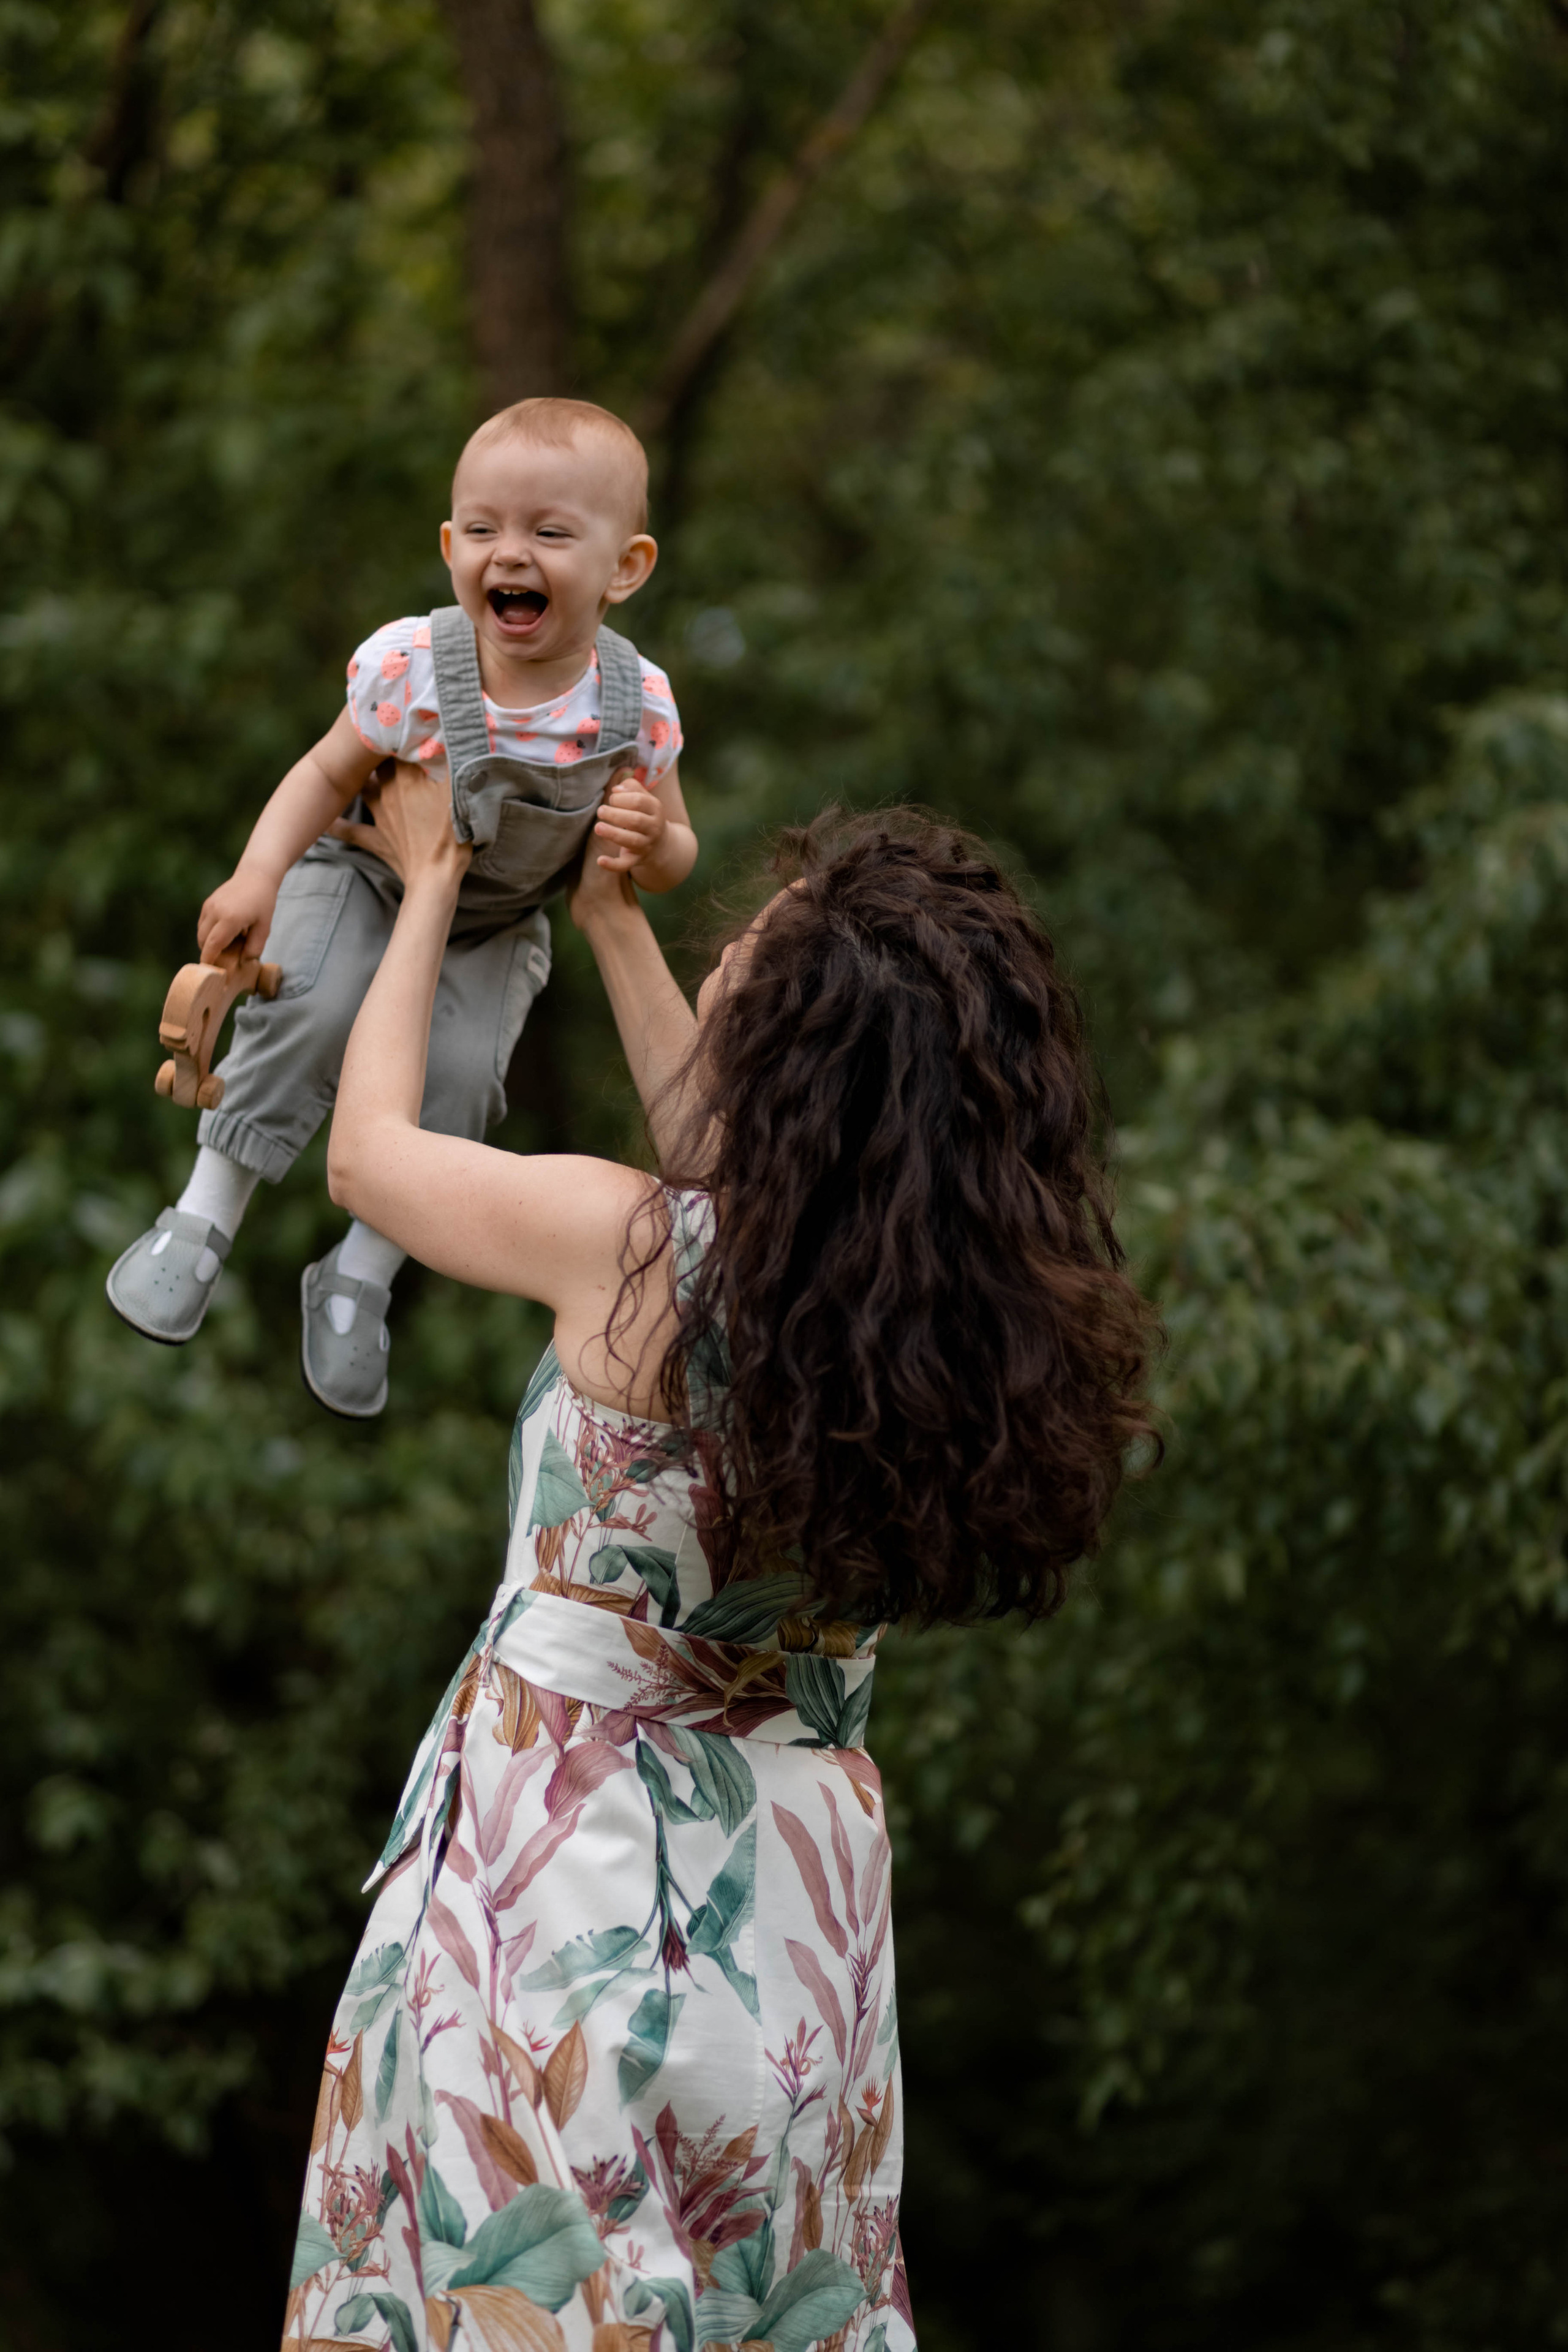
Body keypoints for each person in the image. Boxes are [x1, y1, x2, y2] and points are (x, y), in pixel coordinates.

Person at [281, 762, 1158, 2352]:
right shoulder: (938, 1344)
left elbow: (369, 1161)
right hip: (797, 1928)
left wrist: (419, 887)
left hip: (578, 1894)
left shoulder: (633, 1259)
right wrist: (615, 922)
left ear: (786, 1082)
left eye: (731, 1001)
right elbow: (741, 1172)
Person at [107, 396, 695, 1419]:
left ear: (626, 568)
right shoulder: (415, 665)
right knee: (310, 1014)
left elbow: (678, 848)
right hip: (366, 880)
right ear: (450, 545)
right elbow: (324, 772)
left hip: (497, 920)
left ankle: (360, 1280)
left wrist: (653, 844)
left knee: (461, 1084)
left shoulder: (633, 703)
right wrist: (258, 874)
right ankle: (204, 1216)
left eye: (550, 533)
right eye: (483, 530)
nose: (509, 554)